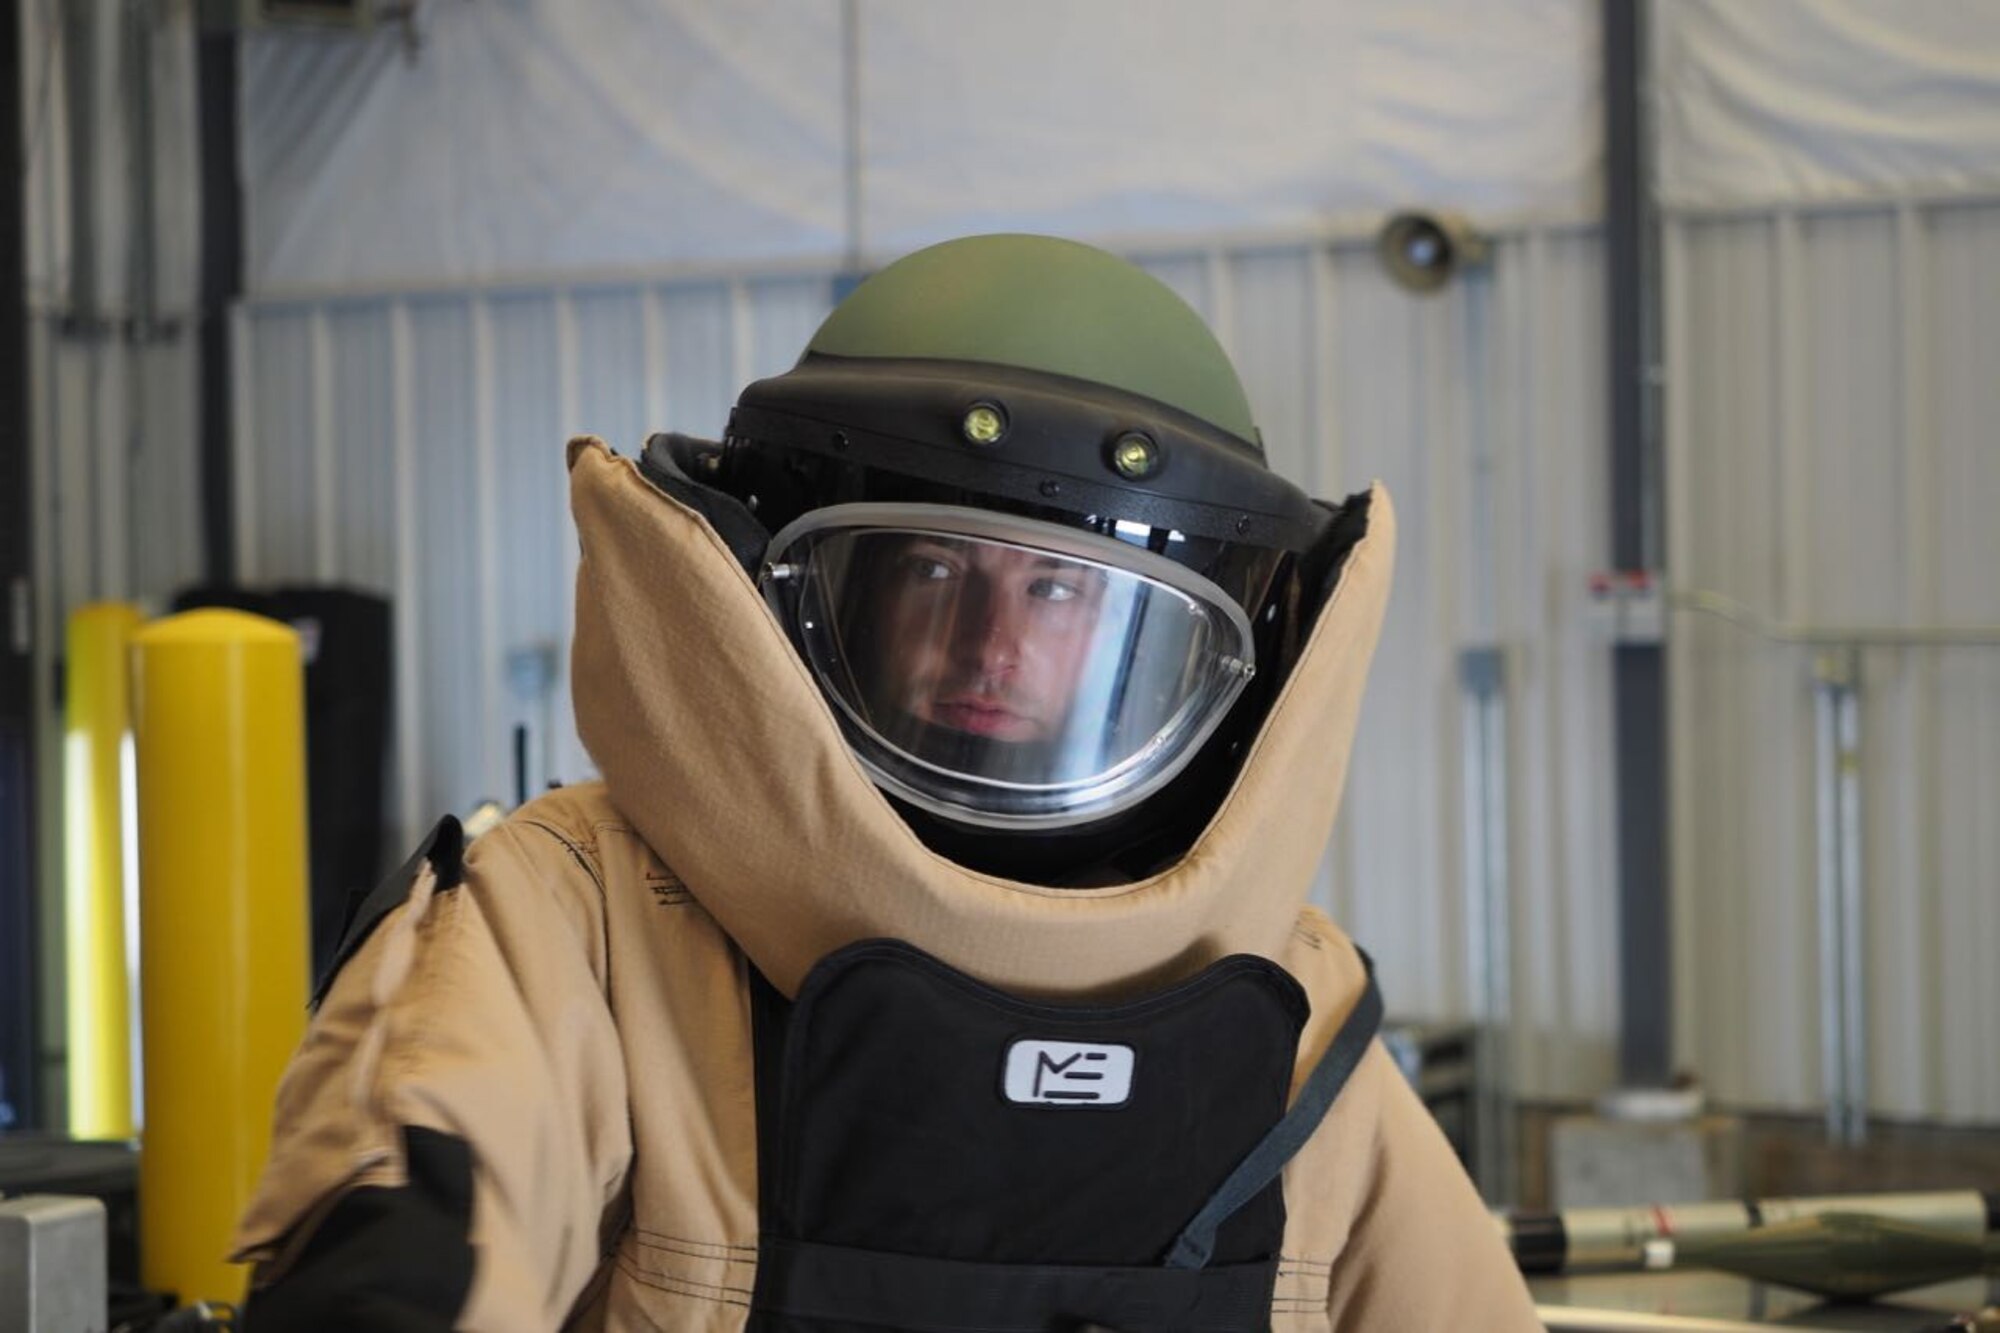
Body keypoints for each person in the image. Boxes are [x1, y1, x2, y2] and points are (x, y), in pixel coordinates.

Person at [230, 233, 1543, 1330]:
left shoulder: (1295, 1011)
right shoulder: (574, 922)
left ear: (1222, 657)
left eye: (1065, 590)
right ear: (780, 599)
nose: (994, 644)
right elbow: (412, 1214)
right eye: (927, 572)